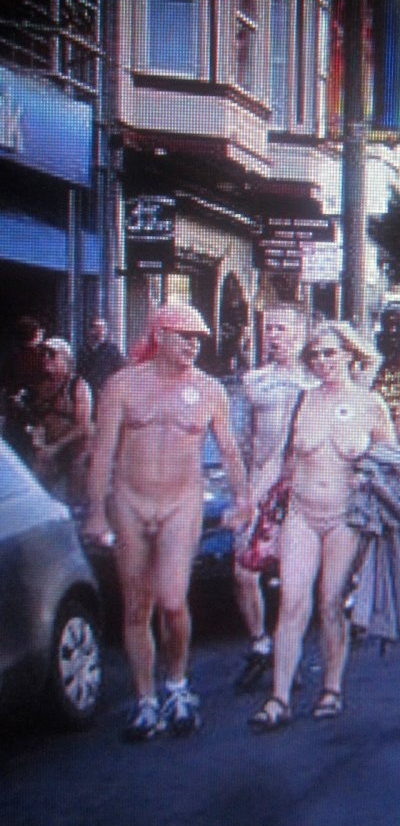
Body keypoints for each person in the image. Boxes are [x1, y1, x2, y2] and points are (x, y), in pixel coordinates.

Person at [84, 302, 248, 741]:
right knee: (137, 605)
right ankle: (145, 699)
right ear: (160, 336)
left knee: (173, 600)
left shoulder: (209, 389)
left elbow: (229, 451)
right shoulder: (122, 385)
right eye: (184, 337)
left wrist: (243, 499)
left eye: (198, 339)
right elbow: (102, 453)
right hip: (131, 501)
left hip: (180, 502)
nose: (193, 346)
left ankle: (177, 684)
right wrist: (96, 510)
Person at [250, 321, 394, 730]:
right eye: (314, 355)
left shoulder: (370, 404)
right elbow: (279, 461)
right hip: (301, 512)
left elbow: (392, 462)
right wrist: (249, 503)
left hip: (344, 517)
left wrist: (368, 478)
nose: (322, 361)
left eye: (330, 352)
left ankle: (331, 687)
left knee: (331, 601)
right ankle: (278, 697)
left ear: (349, 354)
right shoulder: (301, 400)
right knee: (292, 600)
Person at [233, 303, 314, 693]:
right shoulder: (254, 381)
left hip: (301, 487)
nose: (274, 336)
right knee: (244, 571)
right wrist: (245, 489)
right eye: (269, 328)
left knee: (291, 576)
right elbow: (241, 440)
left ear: (300, 333)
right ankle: (259, 643)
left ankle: (288, 650)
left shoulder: (315, 381)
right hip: (260, 485)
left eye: (282, 328)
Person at [30, 337, 93, 506]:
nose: (46, 358)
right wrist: (40, 443)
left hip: (76, 448)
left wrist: (56, 447)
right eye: (44, 354)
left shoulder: (78, 386)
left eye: (52, 354)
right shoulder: (44, 386)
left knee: (77, 485)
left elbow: (83, 426)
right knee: (37, 480)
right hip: (51, 446)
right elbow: (39, 419)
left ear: (65, 358)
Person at [370, 302, 400, 444]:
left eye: (399, 326)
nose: (393, 332)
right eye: (389, 325)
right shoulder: (372, 364)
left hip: (398, 437)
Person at [0, 315, 46, 463]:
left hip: (14, 414)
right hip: (37, 412)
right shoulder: (43, 359)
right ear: (36, 334)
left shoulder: (10, 358)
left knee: (16, 453)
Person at [77, 318, 126, 405]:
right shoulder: (83, 351)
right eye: (97, 328)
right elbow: (79, 372)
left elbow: (121, 370)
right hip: (88, 394)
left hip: (107, 393)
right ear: (90, 331)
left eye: (103, 328)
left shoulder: (112, 350)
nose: (100, 331)